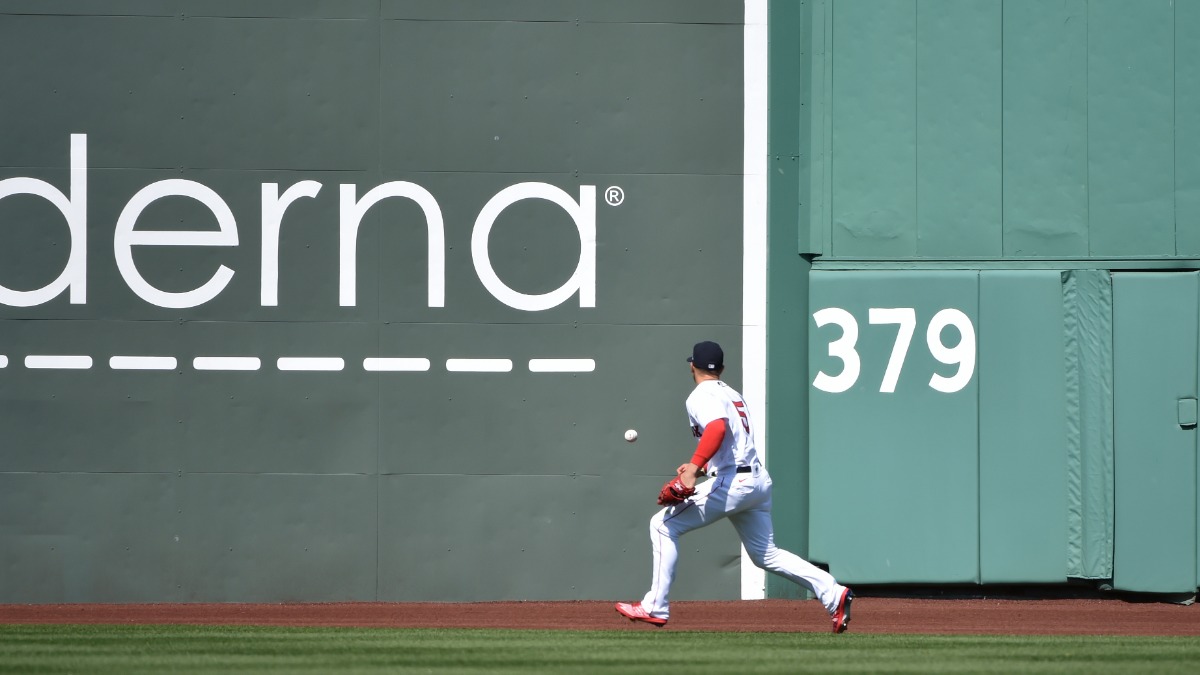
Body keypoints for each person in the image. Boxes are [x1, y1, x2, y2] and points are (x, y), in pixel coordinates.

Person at [615, 340, 853, 632]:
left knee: (662, 526)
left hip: (733, 483)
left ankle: (655, 606)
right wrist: (700, 467)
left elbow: (717, 428)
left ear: (692, 366)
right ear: (722, 368)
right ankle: (833, 592)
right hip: (755, 481)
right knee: (766, 554)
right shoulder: (732, 393)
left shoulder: (700, 394)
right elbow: (731, 441)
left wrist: (692, 470)